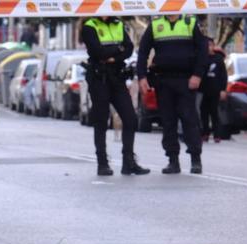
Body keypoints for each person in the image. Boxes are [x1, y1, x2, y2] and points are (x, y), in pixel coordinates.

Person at [136, 15, 208, 174]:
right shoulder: (156, 25)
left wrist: (198, 74)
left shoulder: (190, 23)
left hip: (186, 80)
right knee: (168, 122)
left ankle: (195, 159)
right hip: (163, 81)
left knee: (190, 120)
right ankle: (173, 160)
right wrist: (141, 76)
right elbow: (143, 51)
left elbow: (203, 50)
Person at [82, 17, 150, 176]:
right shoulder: (90, 26)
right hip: (99, 78)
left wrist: (114, 56)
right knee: (101, 120)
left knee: (131, 118)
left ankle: (128, 163)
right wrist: (117, 50)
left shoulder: (118, 24)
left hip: (117, 77)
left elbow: (129, 48)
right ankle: (102, 163)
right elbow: (97, 52)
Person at [199, 37, 227, 143]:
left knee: (214, 113)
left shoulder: (218, 59)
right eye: (206, 45)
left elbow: (223, 75)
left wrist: (223, 89)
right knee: (203, 113)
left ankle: (217, 135)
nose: (208, 47)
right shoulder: (201, 58)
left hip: (215, 90)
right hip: (203, 90)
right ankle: (205, 133)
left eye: (210, 45)